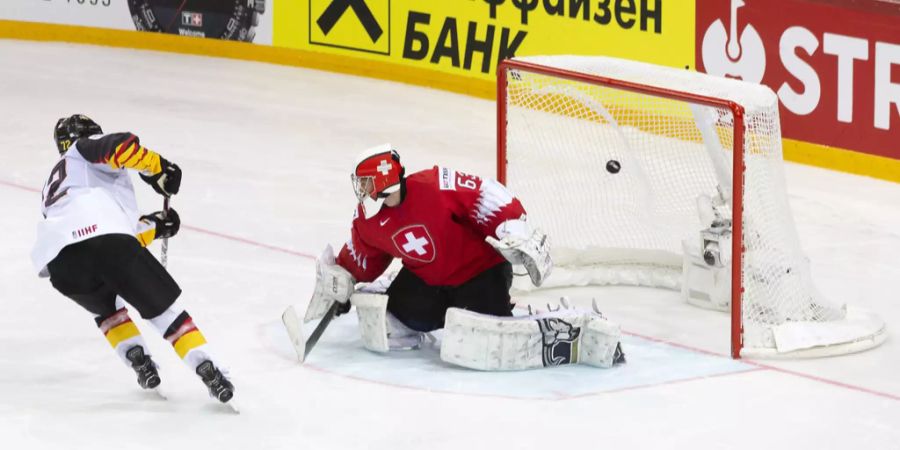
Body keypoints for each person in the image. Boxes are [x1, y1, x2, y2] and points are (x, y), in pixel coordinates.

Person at [302, 144, 625, 370]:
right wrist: (345, 280)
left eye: (367, 181)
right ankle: (414, 304)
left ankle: (566, 329)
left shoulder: (434, 184)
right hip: (426, 280)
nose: (362, 189)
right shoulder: (369, 219)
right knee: (395, 322)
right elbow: (364, 255)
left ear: (385, 178)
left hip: (479, 272)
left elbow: (484, 192)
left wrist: (511, 226)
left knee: (484, 334)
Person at [31, 114, 235, 402]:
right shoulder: (82, 150)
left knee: (108, 309)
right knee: (165, 313)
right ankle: (209, 367)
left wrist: (157, 226)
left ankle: (138, 359)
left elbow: (108, 238)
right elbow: (121, 145)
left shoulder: (58, 182)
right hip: (105, 244)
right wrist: (158, 168)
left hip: (61, 263)